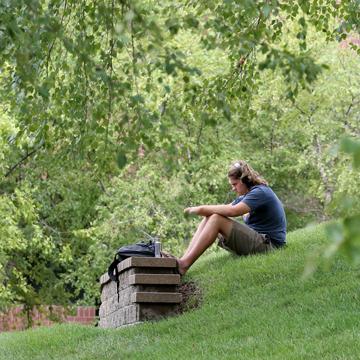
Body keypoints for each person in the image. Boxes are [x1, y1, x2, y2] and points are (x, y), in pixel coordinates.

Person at [176, 160, 286, 275]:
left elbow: (233, 211)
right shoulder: (246, 195)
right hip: (260, 241)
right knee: (210, 217)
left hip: (270, 246)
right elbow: (225, 207)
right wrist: (202, 211)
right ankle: (183, 259)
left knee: (216, 219)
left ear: (244, 180)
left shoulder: (260, 192)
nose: (233, 188)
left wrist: (198, 210)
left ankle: (183, 265)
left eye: (235, 184)